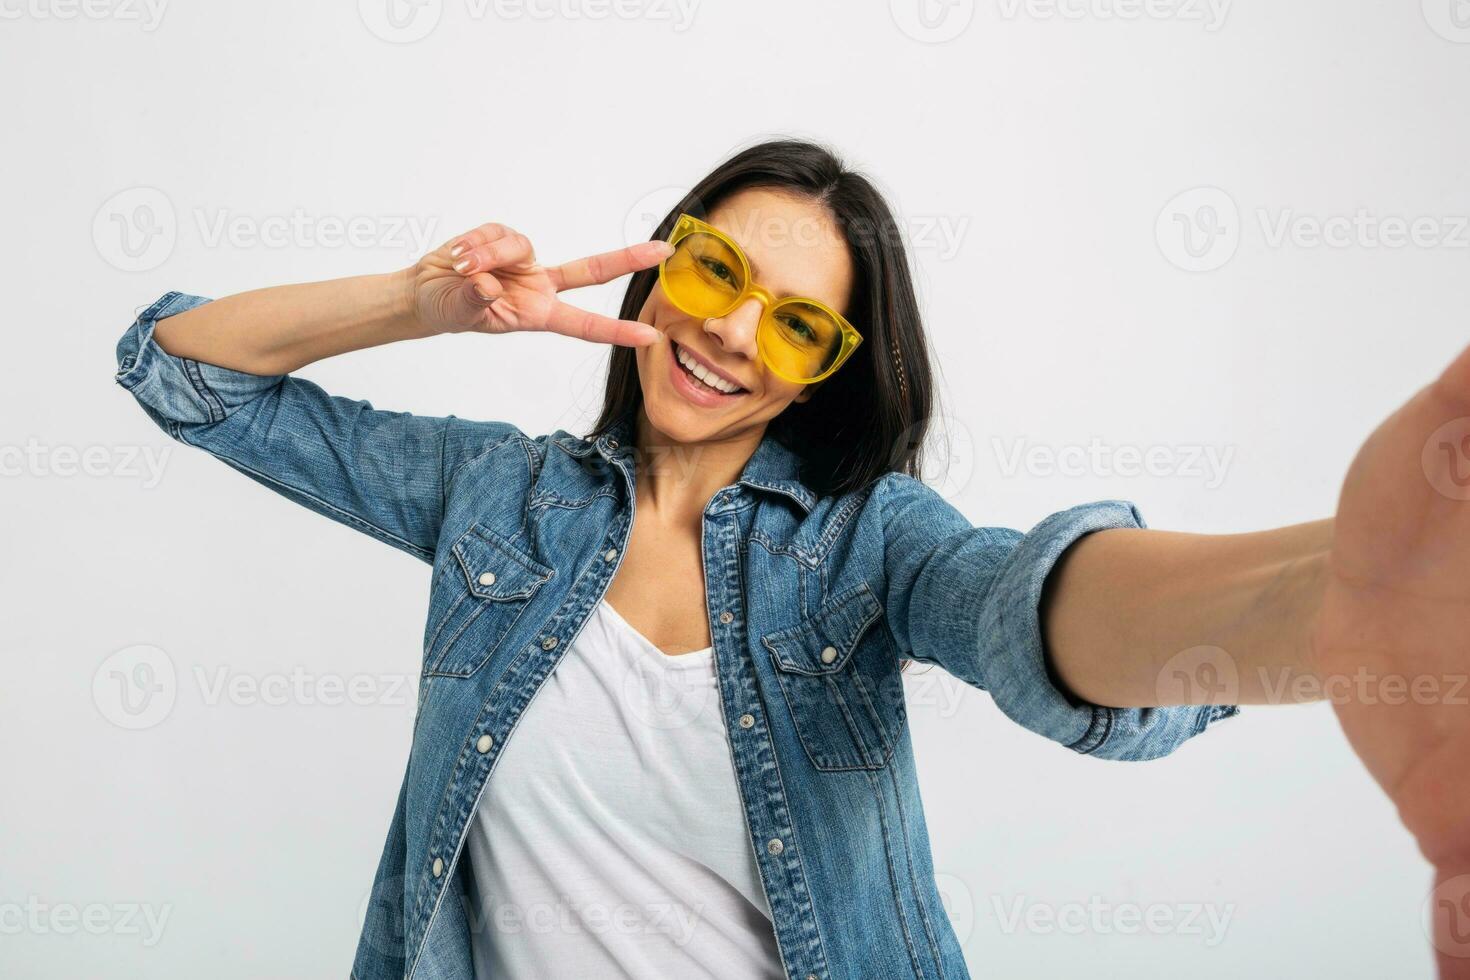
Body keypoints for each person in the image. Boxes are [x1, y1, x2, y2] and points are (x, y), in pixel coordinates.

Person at [112, 138, 1470, 980]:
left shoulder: (866, 548)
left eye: (799, 328)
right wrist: (424, 304)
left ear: (830, 374)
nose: (734, 337)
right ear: (658, 274)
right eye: (714, 275)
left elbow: (1021, 602)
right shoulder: (498, 499)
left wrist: (1328, 596)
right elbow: (184, 374)